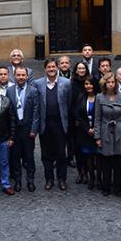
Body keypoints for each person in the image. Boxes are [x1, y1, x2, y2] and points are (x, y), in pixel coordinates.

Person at [33, 58, 72, 191]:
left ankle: (62, 179)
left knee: (61, 153)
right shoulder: (37, 84)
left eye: (53, 67)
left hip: (60, 124)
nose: (51, 69)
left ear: (57, 68)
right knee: (46, 154)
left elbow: (69, 103)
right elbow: (36, 106)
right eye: (49, 67)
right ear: (45, 69)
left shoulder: (66, 83)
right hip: (45, 124)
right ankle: (49, 179)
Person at [94, 72, 121, 197]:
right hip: (105, 131)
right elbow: (97, 118)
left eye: (112, 82)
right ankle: (106, 186)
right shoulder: (99, 97)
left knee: (118, 162)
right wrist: (97, 136)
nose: (111, 84)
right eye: (108, 82)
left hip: (119, 132)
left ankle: (118, 187)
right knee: (106, 161)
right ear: (104, 84)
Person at [6, 66, 40, 192]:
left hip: (28, 129)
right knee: (15, 157)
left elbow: (36, 111)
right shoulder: (9, 91)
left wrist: (34, 129)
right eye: (18, 75)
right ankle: (18, 180)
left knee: (29, 157)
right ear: (14, 76)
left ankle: (30, 180)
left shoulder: (33, 91)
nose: (20, 77)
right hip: (14, 130)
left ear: (27, 76)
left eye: (23, 75)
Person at [73, 76, 99, 189]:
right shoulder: (81, 97)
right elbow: (78, 115)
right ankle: (91, 178)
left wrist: (95, 128)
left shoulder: (100, 97)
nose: (88, 86)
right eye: (86, 84)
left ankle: (99, 178)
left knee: (98, 157)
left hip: (98, 132)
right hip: (85, 132)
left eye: (91, 84)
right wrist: (87, 128)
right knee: (88, 156)